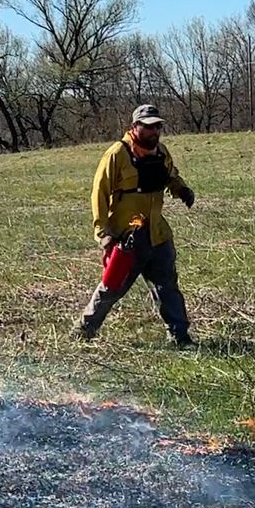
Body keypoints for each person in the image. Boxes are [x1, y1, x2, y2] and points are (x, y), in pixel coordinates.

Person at [74, 104, 197, 347]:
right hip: (127, 237)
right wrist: (103, 233)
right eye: (148, 126)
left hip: (157, 234)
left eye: (157, 126)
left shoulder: (161, 152)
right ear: (134, 127)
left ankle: (180, 337)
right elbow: (99, 193)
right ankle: (83, 331)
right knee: (112, 288)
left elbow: (170, 175)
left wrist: (181, 189)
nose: (154, 131)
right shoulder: (116, 154)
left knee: (168, 287)